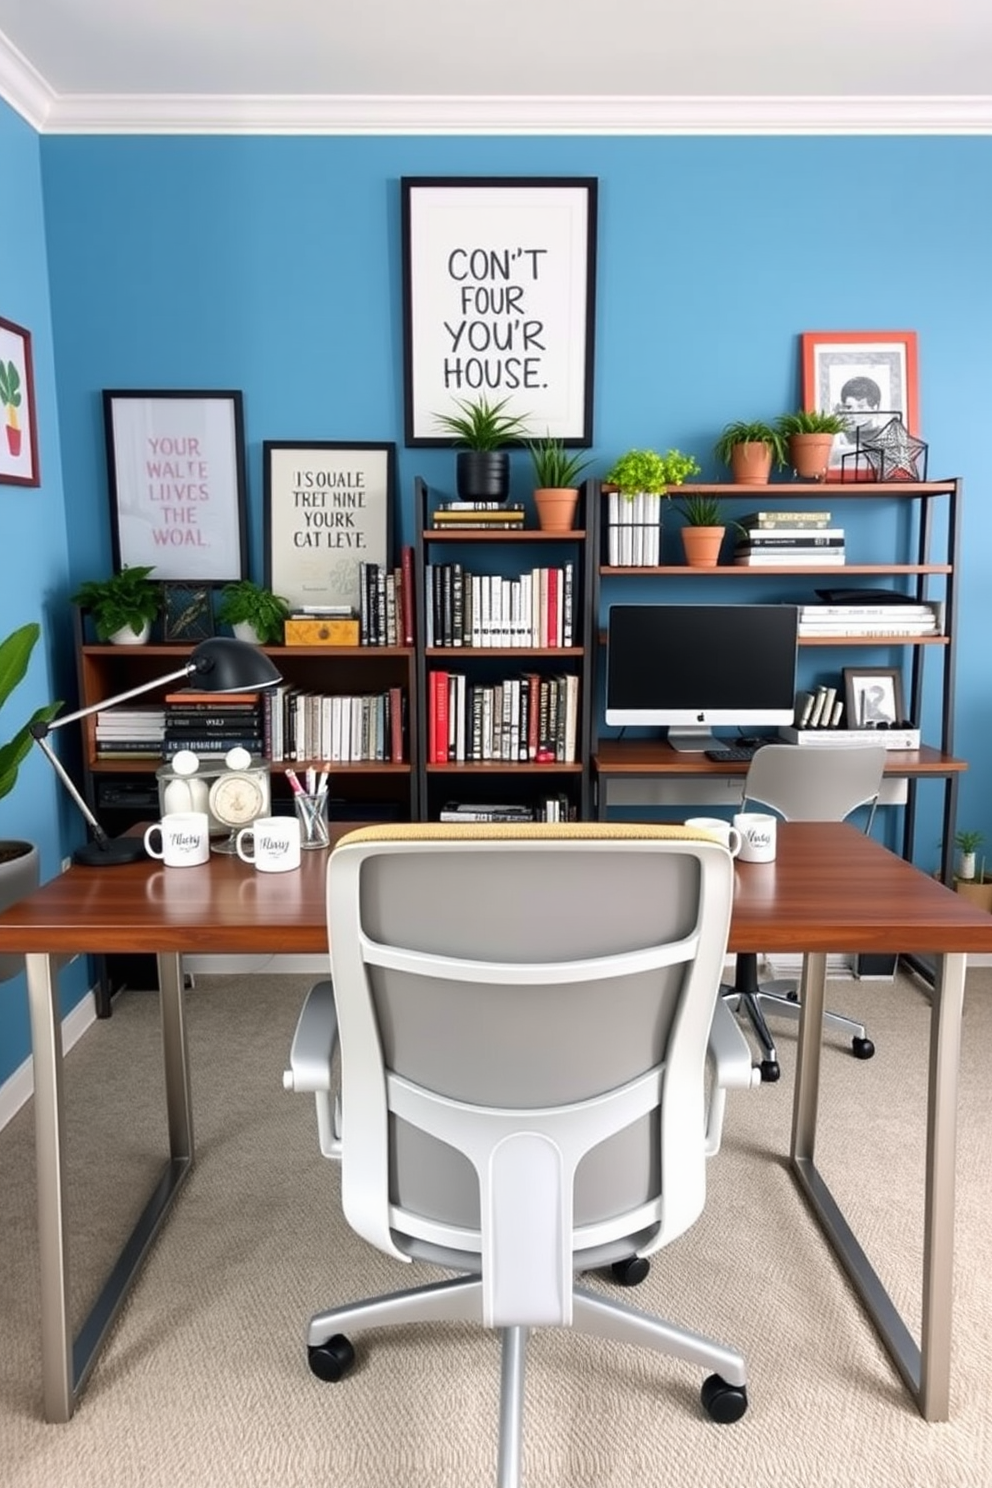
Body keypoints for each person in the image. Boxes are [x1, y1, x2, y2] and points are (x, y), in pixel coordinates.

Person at [835, 375, 884, 450]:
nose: (854, 412)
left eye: (861, 406)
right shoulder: (839, 437)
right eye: (849, 407)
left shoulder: (884, 436)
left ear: (875, 407)